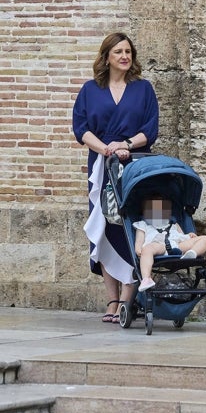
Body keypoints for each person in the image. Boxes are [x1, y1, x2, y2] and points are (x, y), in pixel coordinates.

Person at [72, 33, 159, 323]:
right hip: (101, 164)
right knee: (104, 229)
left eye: (128, 51)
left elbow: (151, 129)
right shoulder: (90, 90)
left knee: (131, 227)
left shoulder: (143, 89)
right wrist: (106, 148)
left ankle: (127, 301)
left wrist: (126, 145)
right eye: (118, 51)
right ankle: (111, 300)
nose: (125, 56)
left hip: (134, 164)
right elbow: (81, 129)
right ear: (106, 57)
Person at [133, 194, 206, 292]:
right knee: (147, 249)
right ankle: (146, 278)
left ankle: (192, 253)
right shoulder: (142, 224)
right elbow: (139, 240)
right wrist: (139, 249)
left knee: (205, 239)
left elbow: (182, 236)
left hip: (177, 246)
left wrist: (190, 236)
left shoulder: (174, 223)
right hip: (158, 247)